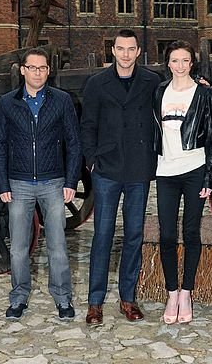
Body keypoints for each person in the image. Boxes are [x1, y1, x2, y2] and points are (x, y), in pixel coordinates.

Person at [0, 47, 80, 322]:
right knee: (18, 247)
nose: (38, 73)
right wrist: (2, 184)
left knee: (57, 245)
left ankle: (63, 298)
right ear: (23, 70)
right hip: (18, 183)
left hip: (53, 182)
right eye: (32, 68)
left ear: (48, 71)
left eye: (42, 68)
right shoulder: (7, 103)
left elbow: (74, 143)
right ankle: (18, 296)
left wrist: (71, 180)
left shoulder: (62, 101)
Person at [81, 29, 161, 326]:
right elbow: (87, 124)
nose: (125, 54)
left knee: (134, 235)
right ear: (112, 51)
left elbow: (170, 108)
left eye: (131, 49)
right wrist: (91, 160)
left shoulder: (152, 81)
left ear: (139, 51)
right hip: (107, 169)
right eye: (120, 49)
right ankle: (95, 302)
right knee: (102, 235)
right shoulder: (97, 84)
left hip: (139, 168)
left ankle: (128, 298)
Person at [153, 40, 212, 324]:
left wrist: (209, 175)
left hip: (194, 169)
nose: (180, 66)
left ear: (192, 63)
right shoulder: (158, 92)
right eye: (175, 60)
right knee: (166, 235)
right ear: (168, 63)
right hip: (165, 171)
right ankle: (171, 292)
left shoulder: (204, 93)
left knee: (191, 233)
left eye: (185, 61)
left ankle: (186, 291)